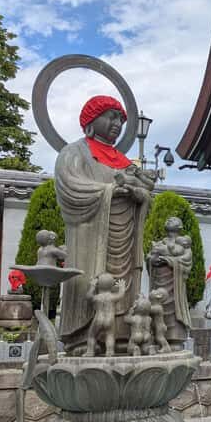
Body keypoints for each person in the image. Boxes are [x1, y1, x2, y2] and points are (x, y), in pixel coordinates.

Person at [54, 95, 155, 353]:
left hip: (125, 233)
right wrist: (110, 190)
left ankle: (122, 336)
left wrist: (139, 194)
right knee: (90, 279)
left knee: (125, 286)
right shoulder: (74, 152)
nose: (117, 123)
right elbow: (71, 186)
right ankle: (82, 338)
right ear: (91, 120)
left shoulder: (124, 161)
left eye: (120, 119)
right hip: (92, 232)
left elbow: (145, 192)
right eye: (110, 117)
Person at [146, 216, 193, 343]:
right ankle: (157, 337)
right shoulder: (161, 242)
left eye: (172, 220)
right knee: (157, 307)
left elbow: (186, 262)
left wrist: (168, 260)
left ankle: (175, 338)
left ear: (179, 227)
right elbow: (150, 257)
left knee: (173, 311)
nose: (168, 220)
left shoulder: (184, 244)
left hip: (174, 285)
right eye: (168, 220)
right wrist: (152, 260)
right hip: (159, 282)